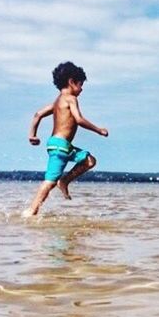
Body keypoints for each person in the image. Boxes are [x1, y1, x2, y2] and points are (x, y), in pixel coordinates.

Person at [24, 62, 109, 216]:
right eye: (80, 84)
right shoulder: (70, 99)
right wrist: (98, 130)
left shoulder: (57, 102)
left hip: (62, 146)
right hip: (60, 147)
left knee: (90, 161)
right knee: (49, 181)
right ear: (71, 82)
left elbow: (38, 114)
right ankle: (32, 210)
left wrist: (32, 134)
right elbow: (79, 119)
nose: (82, 89)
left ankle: (64, 181)